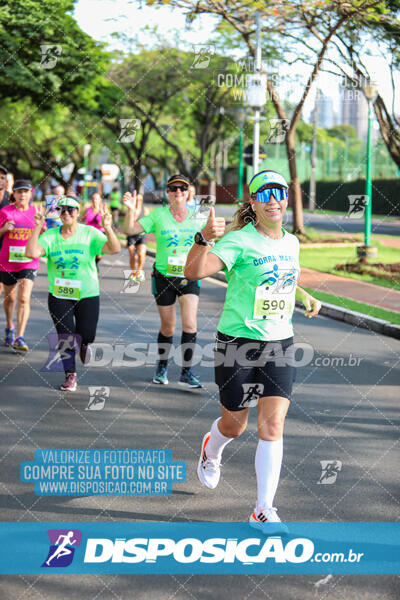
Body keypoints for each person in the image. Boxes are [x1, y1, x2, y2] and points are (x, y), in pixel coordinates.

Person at [184, 169, 321, 531]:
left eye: (279, 191)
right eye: (265, 193)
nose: (273, 199)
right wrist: (201, 239)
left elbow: (284, 280)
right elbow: (194, 272)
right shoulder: (238, 241)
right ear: (253, 202)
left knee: (273, 424)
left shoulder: (291, 242)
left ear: (287, 198)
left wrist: (304, 294)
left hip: (279, 341)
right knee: (235, 425)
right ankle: (211, 448)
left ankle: (262, 509)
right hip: (237, 343)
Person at [25, 196, 121, 392]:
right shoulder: (50, 236)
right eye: (63, 210)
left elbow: (115, 248)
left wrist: (108, 227)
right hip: (59, 294)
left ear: (78, 212)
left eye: (71, 209)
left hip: (87, 293)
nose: (67, 213)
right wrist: (37, 227)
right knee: (66, 336)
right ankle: (70, 374)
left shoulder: (89, 233)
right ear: (59, 213)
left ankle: (85, 344)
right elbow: (31, 253)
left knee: (87, 334)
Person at [123, 174, 206, 388]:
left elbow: (211, 241)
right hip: (163, 277)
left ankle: (187, 371)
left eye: (182, 188)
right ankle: (162, 366)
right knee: (169, 326)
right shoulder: (158, 215)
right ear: (168, 193)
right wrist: (130, 209)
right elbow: (129, 230)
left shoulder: (199, 216)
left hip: (189, 277)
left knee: (190, 323)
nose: (178, 192)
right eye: (173, 189)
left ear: (188, 193)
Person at [0, 180, 42, 351]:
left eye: (25, 191)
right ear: (14, 194)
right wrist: (3, 229)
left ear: (30, 193)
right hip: (8, 261)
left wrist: (41, 226)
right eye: (19, 192)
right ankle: (9, 327)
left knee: (24, 297)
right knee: (10, 298)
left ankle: (20, 336)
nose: (22, 195)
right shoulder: (5, 211)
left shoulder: (36, 212)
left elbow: (43, 233)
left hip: (28, 261)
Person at [126, 192, 147, 282]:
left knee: (141, 254)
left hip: (141, 235)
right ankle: (133, 271)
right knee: (133, 255)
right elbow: (129, 221)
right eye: (137, 199)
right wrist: (135, 211)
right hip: (131, 235)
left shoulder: (145, 209)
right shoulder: (131, 208)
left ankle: (139, 270)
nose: (139, 201)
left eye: (140, 199)